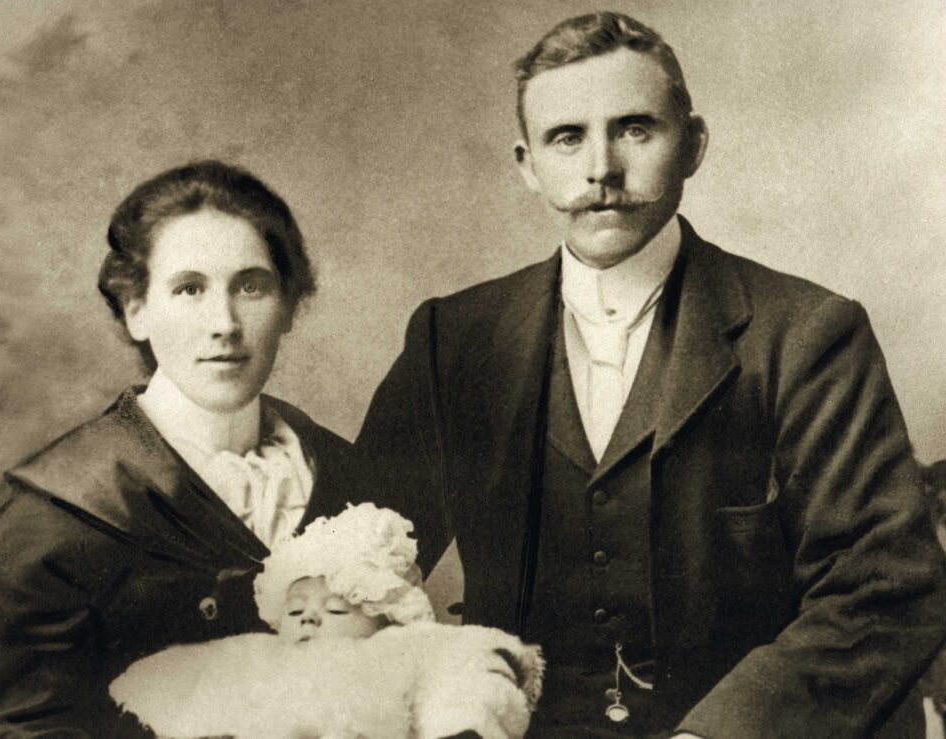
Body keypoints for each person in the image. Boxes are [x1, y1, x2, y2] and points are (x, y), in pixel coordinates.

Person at [353, 11, 946, 738]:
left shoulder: (807, 333)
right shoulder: (454, 341)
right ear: (526, 163)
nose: (600, 167)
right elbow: (353, 562)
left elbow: (885, 586)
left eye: (635, 128)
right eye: (566, 137)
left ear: (693, 144)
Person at [0, 160, 363, 736]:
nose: (225, 323)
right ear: (136, 310)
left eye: (252, 286)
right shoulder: (48, 522)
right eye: (189, 289)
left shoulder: (351, 477)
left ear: (287, 305)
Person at [109, 502, 544, 739]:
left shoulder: (403, 648)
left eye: (336, 609)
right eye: (296, 610)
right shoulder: (261, 654)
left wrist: (464, 723)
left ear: (382, 616)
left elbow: (467, 672)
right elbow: (191, 674)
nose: (309, 619)